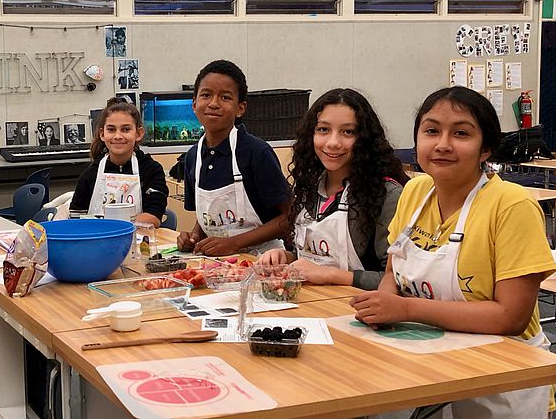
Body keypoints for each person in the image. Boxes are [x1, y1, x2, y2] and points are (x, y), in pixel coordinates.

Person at [352, 86, 556, 418]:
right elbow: (393, 273)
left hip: (504, 375)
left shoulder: (510, 205)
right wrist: (381, 309)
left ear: (485, 147)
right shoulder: (416, 191)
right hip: (432, 363)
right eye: (431, 131)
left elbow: (511, 317)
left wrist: (404, 308)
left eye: (460, 133)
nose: (443, 144)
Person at [257, 89, 409, 290]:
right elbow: (310, 258)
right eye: (323, 130)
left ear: (364, 138)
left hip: (357, 311)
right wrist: (285, 257)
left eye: (348, 132)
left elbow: (400, 281)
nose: (333, 143)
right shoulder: (309, 186)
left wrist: (331, 275)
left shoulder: (386, 196)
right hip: (311, 304)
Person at [177, 60, 291, 256]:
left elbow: (290, 216)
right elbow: (209, 216)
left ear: (240, 108)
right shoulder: (193, 157)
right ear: (194, 103)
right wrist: (195, 236)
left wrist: (234, 243)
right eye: (206, 95)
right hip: (218, 265)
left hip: (263, 261)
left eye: (225, 97)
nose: (213, 103)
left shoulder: (256, 152)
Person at [70, 97, 168, 227]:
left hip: (139, 241)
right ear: (102, 134)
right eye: (111, 129)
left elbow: (154, 217)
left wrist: (114, 228)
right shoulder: (91, 173)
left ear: (139, 133)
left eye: (126, 129)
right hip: (98, 241)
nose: (118, 136)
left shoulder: (151, 170)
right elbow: (76, 217)